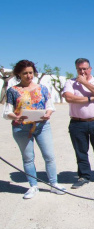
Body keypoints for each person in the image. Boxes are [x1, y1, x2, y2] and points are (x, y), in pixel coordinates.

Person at [2, 60, 66, 199]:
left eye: (31, 72)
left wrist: (48, 114)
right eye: (25, 73)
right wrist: (16, 117)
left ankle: (54, 184)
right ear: (19, 74)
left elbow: (50, 106)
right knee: (28, 158)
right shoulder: (13, 91)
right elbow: (7, 112)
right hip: (21, 128)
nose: (29, 76)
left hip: (42, 127)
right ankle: (33, 186)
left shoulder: (42, 88)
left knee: (49, 156)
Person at [62, 58, 94, 189]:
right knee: (81, 151)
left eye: (85, 68)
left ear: (90, 69)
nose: (82, 71)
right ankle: (84, 175)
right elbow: (69, 97)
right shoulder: (70, 82)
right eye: (79, 69)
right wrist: (90, 98)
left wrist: (84, 83)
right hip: (77, 123)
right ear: (76, 69)